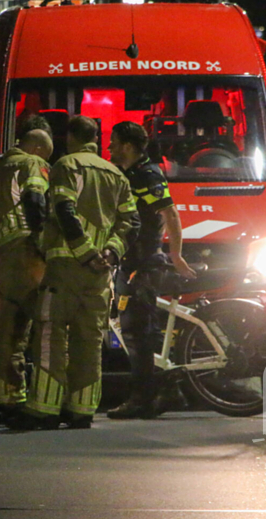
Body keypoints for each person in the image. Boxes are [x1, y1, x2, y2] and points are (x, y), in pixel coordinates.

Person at [10, 115, 138, 430]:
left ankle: (45, 408)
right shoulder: (116, 174)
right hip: (100, 275)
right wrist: (110, 252)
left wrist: (84, 251)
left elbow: (64, 210)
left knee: (52, 335)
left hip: (66, 267)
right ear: (97, 137)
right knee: (90, 340)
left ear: (70, 138)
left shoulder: (67, 166)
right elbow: (131, 222)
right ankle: (81, 410)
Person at [106, 121, 196, 420]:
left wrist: (176, 255)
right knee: (147, 332)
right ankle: (170, 389)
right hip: (132, 260)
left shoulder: (146, 174)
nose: (109, 148)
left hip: (143, 262)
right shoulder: (130, 172)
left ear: (129, 147)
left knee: (136, 334)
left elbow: (169, 212)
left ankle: (142, 399)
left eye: (114, 143)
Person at [0, 129, 53, 423]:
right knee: (43, 328)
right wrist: (44, 247)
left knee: (4, 331)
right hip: (28, 256)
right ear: (38, 148)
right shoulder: (31, 164)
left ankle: (4, 400)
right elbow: (36, 201)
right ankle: (45, 401)